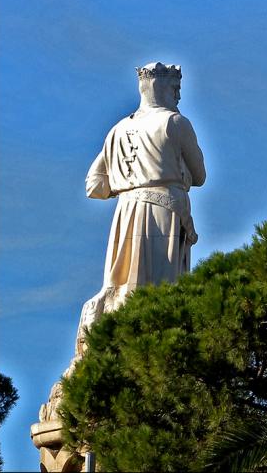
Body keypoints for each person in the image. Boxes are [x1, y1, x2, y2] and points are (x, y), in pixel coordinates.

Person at [75, 61, 206, 355]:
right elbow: (200, 176)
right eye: (176, 89)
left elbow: (93, 185)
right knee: (163, 291)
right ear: (164, 88)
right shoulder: (176, 123)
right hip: (165, 211)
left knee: (124, 286)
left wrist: (126, 182)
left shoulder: (118, 130)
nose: (179, 96)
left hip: (126, 211)